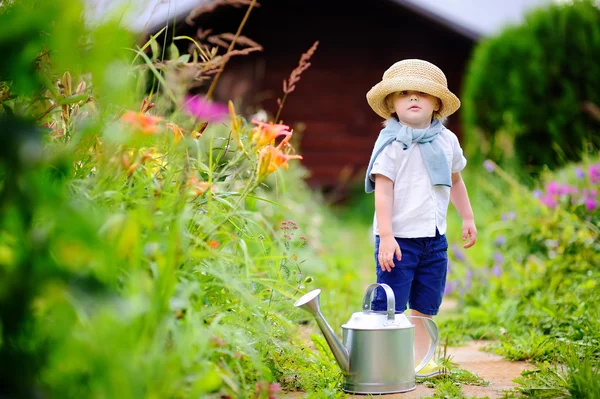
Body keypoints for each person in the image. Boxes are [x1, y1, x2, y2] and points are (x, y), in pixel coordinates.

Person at [364, 59, 477, 378]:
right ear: (392, 104)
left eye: (422, 94)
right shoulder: (391, 142)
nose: (413, 99)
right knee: (391, 303)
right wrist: (385, 236)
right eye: (404, 93)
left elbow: (455, 180)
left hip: (434, 238)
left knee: (426, 303)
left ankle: (421, 358)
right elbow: (383, 192)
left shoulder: (447, 141)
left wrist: (467, 217)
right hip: (398, 240)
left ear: (437, 102)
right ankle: (387, 360)